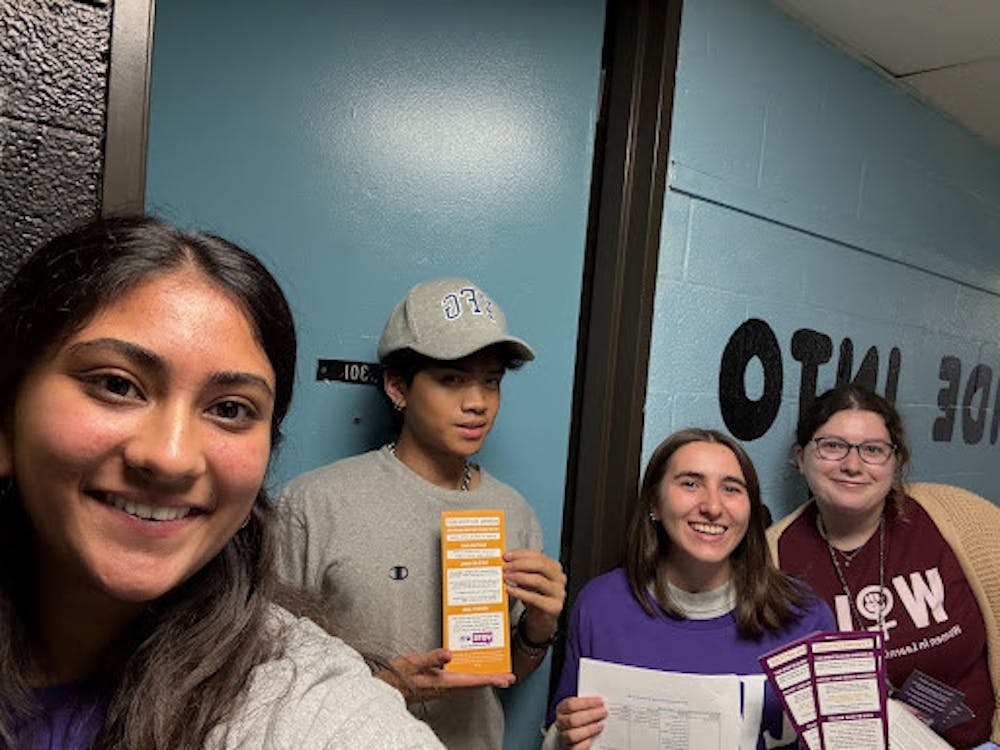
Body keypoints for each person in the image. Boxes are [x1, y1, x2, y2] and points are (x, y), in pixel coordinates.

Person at [0, 216, 442, 749]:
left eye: (230, 409)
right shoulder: (325, 497)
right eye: (117, 385)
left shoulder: (304, 706)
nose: (171, 457)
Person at [277, 278, 566, 749]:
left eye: (491, 381)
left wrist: (539, 628)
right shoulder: (315, 503)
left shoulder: (515, 513)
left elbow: (507, 669)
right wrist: (381, 689)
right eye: (452, 379)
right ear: (398, 386)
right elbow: (271, 676)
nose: (477, 402)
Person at [547, 428, 834, 750]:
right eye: (690, 484)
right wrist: (564, 737)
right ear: (654, 502)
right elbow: (563, 733)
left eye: (731, 488)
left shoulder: (805, 616)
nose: (712, 506)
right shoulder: (601, 606)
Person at [767, 384, 1000, 748]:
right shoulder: (774, 555)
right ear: (801, 457)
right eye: (832, 446)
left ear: (896, 462)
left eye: (873, 450)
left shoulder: (961, 520)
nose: (852, 465)